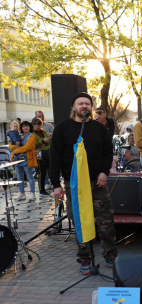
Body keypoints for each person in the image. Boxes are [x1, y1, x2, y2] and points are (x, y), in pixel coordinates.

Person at [50, 93, 117, 274]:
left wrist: (104, 172)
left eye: (87, 103)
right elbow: (55, 156)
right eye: (80, 103)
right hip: (74, 184)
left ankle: (111, 255)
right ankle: (85, 259)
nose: (84, 106)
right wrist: (55, 184)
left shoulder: (98, 128)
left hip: (97, 183)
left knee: (106, 220)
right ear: (74, 107)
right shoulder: (63, 128)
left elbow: (107, 152)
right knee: (80, 221)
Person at [9, 121, 37, 201]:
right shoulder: (18, 135)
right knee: (19, 177)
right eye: (23, 126)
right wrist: (14, 147)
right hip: (17, 159)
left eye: (27, 126)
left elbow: (27, 147)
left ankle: (32, 193)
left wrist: (15, 150)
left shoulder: (32, 136)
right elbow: (10, 145)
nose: (25, 128)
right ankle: (21, 193)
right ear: (21, 128)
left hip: (27, 159)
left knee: (30, 177)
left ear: (30, 127)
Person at [32, 118, 52, 196]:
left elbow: (48, 140)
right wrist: (43, 141)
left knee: (50, 170)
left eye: (40, 125)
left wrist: (48, 140)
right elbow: (34, 144)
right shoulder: (32, 134)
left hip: (47, 151)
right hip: (39, 153)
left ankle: (51, 185)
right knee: (42, 172)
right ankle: (41, 189)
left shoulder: (43, 131)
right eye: (37, 125)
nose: (39, 127)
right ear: (33, 125)